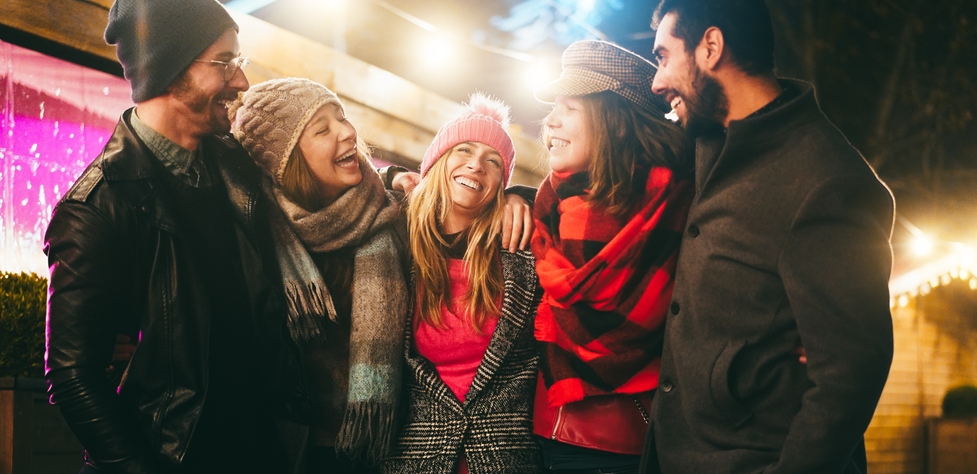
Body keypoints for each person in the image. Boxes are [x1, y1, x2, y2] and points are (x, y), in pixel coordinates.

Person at [43, 1, 308, 473]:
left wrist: (393, 181)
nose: (241, 81)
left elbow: (314, 173)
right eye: (224, 62)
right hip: (176, 458)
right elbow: (72, 378)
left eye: (238, 61)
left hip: (262, 451)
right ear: (167, 69)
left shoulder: (237, 163)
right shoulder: (98, 206)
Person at [641, 1, 895, 473]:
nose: (656, 82)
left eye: (662, 56)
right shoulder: (706, 142)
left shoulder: (827, 180)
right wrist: (513, 194)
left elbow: (850, 372)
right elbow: (607, 168)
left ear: (711, 47)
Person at [229, 78, 409, 473]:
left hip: (379, 450)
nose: (347, 132)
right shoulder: (257, 236)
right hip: (287, 450)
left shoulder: (396, 214)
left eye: (341, 117)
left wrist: (520, 195)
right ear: (286, 161)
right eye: (322, 129)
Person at [530, 40, 694, 474]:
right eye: (554, 108)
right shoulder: (548, 204)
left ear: (616, 124)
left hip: (627, 441)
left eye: (570, 107)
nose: (551, 120)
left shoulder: (683, 208)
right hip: (540, 432)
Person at [382, 94, 544, 473]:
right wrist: (391, 175)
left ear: (501, 183)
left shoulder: (519, 243)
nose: (476, 164)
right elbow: (338, 184)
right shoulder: (400, 232)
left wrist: (523, 196)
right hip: (415, 454)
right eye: (464, 150)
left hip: (507, 456)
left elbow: (570, 206)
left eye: (493, 161)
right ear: (437, 161)